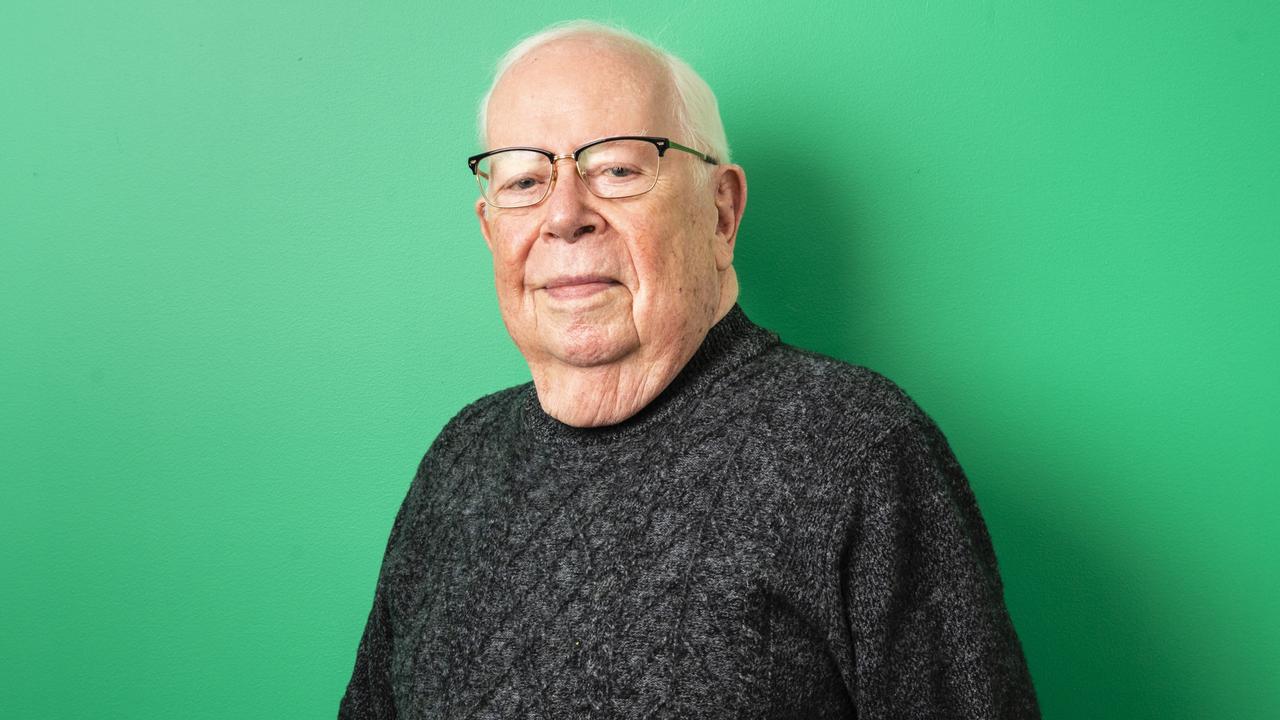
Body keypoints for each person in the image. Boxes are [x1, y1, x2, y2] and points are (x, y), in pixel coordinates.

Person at [340, 20, 1040, 719]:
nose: (563, 216)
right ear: (492, 229)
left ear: (721, 212)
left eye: (617, 168)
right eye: (524, 180)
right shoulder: (459, 459)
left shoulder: (855, 448)